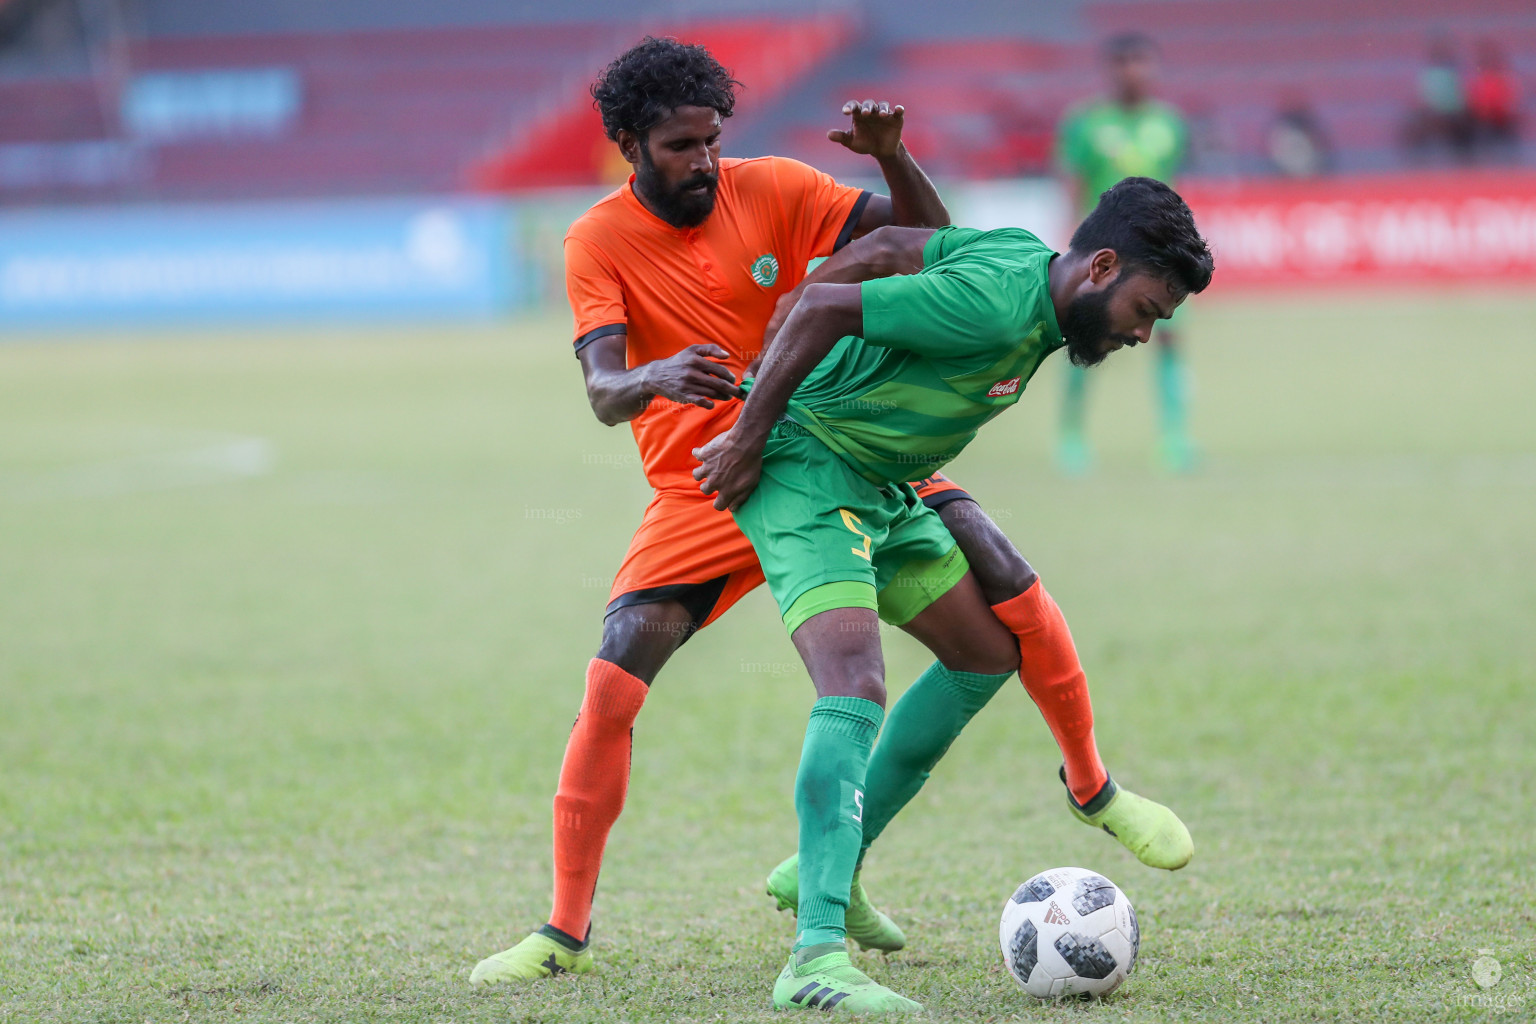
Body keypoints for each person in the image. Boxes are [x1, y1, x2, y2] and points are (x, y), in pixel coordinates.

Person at [470, 37, 1186, 991]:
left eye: (713, 139)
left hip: (844, 439)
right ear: (630, 144)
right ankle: (562, 931)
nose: (705, 161)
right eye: (682, 145)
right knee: (614, 684)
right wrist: (654, 373)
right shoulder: (597, 240)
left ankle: (1076, 791)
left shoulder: (770, 186)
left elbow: (920, 246)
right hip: (710, 477)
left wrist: (892, 155)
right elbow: (604, 390)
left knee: (1002, 595)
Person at [694, 176, 1211, 1012]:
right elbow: (828, 304)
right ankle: (815, 960)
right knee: (853, 681)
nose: (1145, 333)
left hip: (879, 480)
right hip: (807, 464)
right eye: (1145, 309)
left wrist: (896, 163)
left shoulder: (1025, 267)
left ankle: (830, 862)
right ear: (1101, 267)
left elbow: (893, 247)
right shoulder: (999, 307)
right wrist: (751, 433)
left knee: (982, 654)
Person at [1055, 33, 1194, 475]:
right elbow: (1073, 185)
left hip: (1159, 256)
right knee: (1085, 337)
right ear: (1110, 69)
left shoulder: (1170, 123)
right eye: (1124, 62)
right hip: (1103, 257)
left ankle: (1175, 439)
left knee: (1169, 339)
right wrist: (1069, 247)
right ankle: (1071, 440)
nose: (1133, 70)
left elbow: (1173, 186)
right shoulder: (1085, 123)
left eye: (1141, 61)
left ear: (1153, 67)